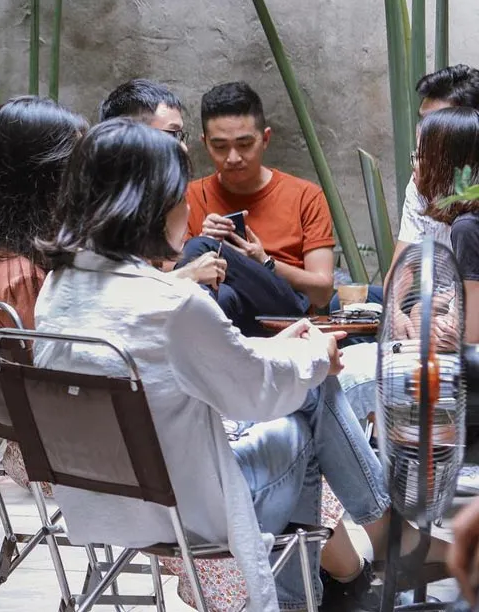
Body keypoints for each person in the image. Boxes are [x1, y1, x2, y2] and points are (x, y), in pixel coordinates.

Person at [33, 118, 447, 612]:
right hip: (190, 510)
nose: (186, 207)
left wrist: (287, 349)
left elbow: (221, 368)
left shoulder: (59, 289)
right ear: (150, 207)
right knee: (311, 399)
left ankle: (355, 567)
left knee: (306, 385)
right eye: (177, 195)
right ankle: (376, 542)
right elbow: (257, 392)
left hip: (102, 500)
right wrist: (315, 354)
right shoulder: (171, 303)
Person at [182, 82, 337, 333]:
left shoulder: (305, 196)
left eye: (244, 144)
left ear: (265, 139)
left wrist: (264, 261)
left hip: (284, 317)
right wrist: (206, 241)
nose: (233, 158)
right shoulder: (189, 196)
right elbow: (167, 275)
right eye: (220, 147)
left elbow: (322, 292)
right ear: (205, 143)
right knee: (219, 291)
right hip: (223, 318)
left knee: (202, 247)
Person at [98, 79, 235, 309]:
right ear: (132, 134)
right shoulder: (107, 204)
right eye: (172, 134)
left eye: (181, 136)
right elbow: (112, 300)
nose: (183, 148)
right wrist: (186, 276)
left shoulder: (152, 198)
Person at [0, 95, 88, 328]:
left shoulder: (7, 251)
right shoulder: (24, 278)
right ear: (41, 178)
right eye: (75, 165)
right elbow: (47, 359)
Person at [393, 64, 479, 264]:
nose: (422, 133)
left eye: (436, 122)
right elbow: (400, 276)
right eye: (422, 121)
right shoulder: (423, 179)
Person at [411, 106, 479, 341]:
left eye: (419, 156)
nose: (415, 165)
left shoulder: (467, 228)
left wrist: (441, 333)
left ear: (444, 166)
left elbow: (470, 336)